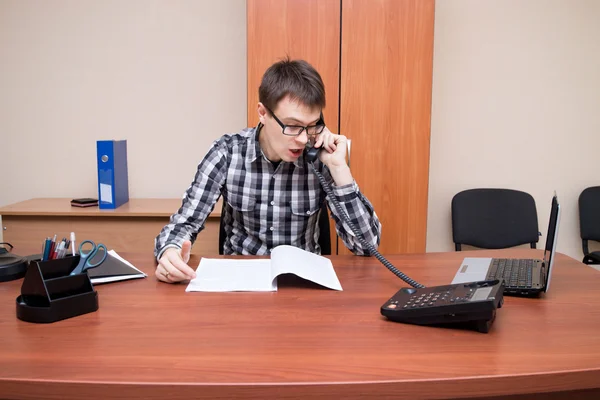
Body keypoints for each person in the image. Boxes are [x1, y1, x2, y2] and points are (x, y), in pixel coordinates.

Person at [154, 58, 381, 283]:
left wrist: (340, 169)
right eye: (292, 126)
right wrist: (170, 252)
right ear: (263, 113)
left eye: (312, 126)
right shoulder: (227, 153)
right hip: (241, 285)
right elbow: (183, 223)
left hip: (302, 286)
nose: (303, 139)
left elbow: (367, 247)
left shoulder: (321, 157)